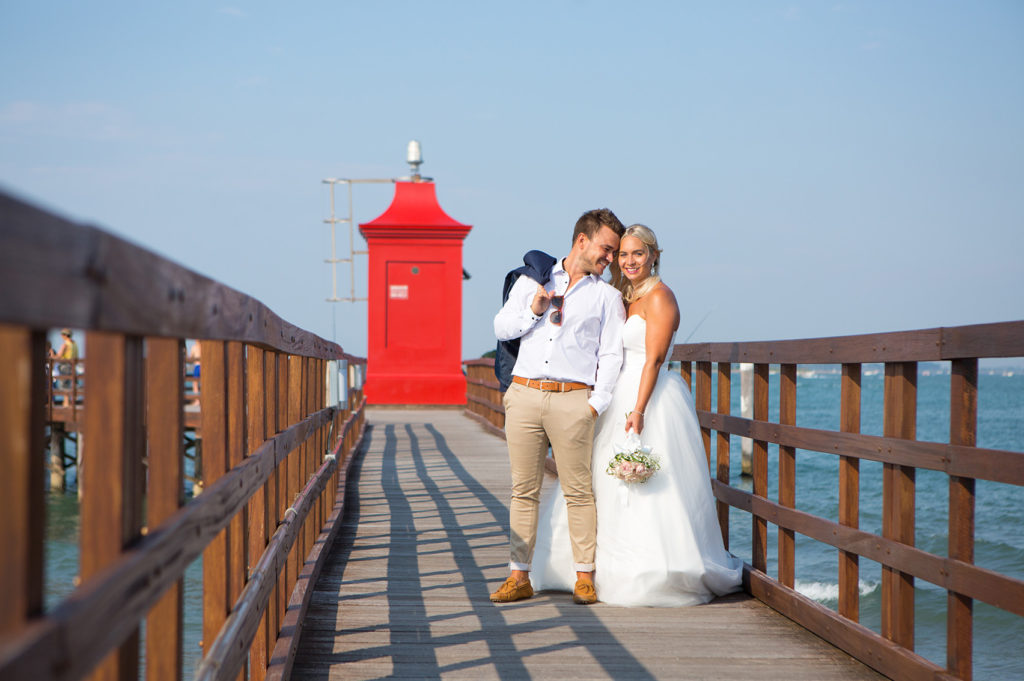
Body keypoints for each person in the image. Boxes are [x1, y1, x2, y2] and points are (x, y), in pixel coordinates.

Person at [531, 224, 744, 606]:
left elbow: (654, 360)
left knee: (641, 484)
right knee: (597, 480)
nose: (629, 261)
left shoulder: (661, 298)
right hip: (615, 393)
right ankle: (582, 567)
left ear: (654, 256)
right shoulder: (625, 296)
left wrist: (639, 410)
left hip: (646, 396)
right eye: (623, 254)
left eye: (637, 254)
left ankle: (646, 569)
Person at [490, 208, 627, 605]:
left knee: (579, 491)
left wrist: (596, 403)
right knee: (523, 490)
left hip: (573, 400)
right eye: (606, 249)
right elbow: (501, 327)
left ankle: (585, 576)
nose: (610, 259)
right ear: (582, 241)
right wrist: (533, 311)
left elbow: (611, 355)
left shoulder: (608, 297)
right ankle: (519, 576)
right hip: (525, 394)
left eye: (614, 253)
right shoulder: (533, 279)